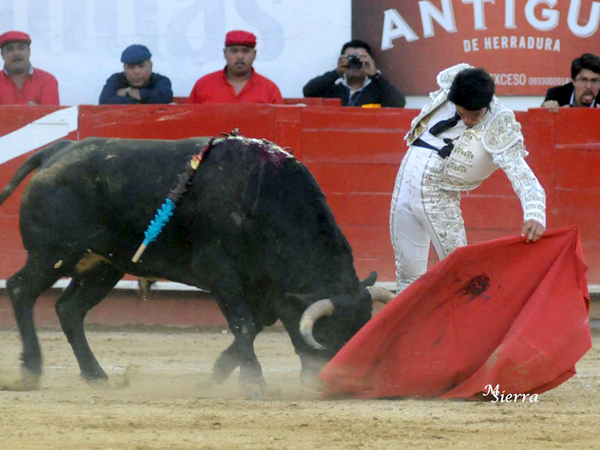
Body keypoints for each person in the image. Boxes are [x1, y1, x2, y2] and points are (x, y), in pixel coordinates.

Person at [390, 64, 546, 292]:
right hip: (404, 184)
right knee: (407, 274)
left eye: (475, 115)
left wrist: (535, 213)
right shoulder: (451, 85)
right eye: (462, 114)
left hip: (438, 195)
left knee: (459, 274)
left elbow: (522, 174)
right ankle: (413, 328)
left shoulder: (499, 122)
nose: (468, 120)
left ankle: (461, 328)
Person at [188, 30, 283, 104]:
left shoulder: (270, 89)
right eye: (234, 51)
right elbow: (188, 123)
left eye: (245, 51)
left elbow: (281, 126)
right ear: (225, 53)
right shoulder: (203, 85)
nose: (240, 56)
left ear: (254, 54)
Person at [302, 39, 405, 108]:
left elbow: (399, 103)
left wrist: (375, 75)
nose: (355, 62)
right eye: (350, 58)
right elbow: (308, 91)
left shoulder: (378, 91)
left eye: (360, 58)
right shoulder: (333, 90)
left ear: (370, 61)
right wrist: (337, 73)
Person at [99, 44, 173, 104]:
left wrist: (128, 92)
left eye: (141, 66)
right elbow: (104, 101)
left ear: (150, 66)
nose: (136, 72)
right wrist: (144, 98)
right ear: (124, 68)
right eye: (131, 67)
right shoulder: (116, 80)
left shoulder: (161, 81)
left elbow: (164, 98)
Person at [0, 30, 59, 105]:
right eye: (10, 49)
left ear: (29, 51)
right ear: (2, 54)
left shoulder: (47, 80)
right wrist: (28, 106)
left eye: (21, 48)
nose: (16, 53)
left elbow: (50, 115)